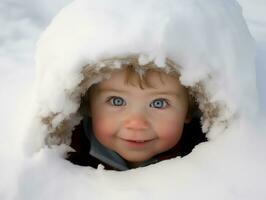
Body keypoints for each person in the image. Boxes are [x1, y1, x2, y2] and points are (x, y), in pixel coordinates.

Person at [67, 58, 206, 170]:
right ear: (89, 105)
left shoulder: (203, 155)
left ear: (188, 111)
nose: (137, 124)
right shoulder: (69, 151)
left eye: (159, 103)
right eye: (117, 101)